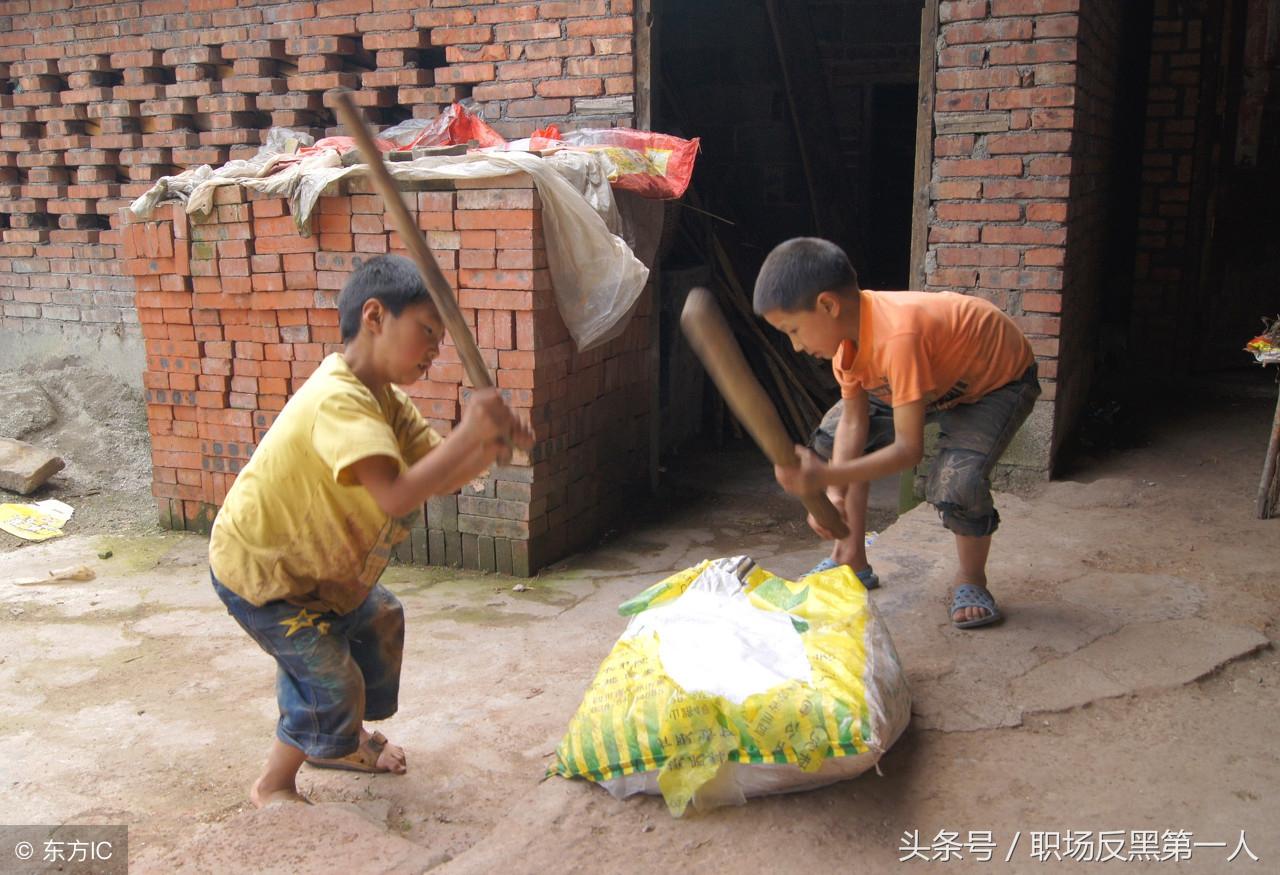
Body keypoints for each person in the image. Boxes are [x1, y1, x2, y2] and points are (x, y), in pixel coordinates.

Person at [208, 254, 533, 806]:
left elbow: (438, 476)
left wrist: (488, 447)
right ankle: (273, 784)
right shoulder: (337, 398)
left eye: (440, 339)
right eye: (427, 331)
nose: (435, 350)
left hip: (322, 576)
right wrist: (471, 433)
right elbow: (397, 494)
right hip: (263, 574)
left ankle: (336, 741)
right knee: (329, 679)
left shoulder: (388, 401)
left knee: (379, 621)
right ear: (375, 316)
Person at [753, 237, 1040, 629]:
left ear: (828, 305)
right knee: (831, 440)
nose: (797, 347)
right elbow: (854, 423)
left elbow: (908, 450)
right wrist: (835, 493)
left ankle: (972, 578)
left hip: (994, 383)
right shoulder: (846, 348)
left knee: (957, 482)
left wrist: (825, 475)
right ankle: (851, 561)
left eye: (794, 330)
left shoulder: (899, 336)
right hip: (930, 380)